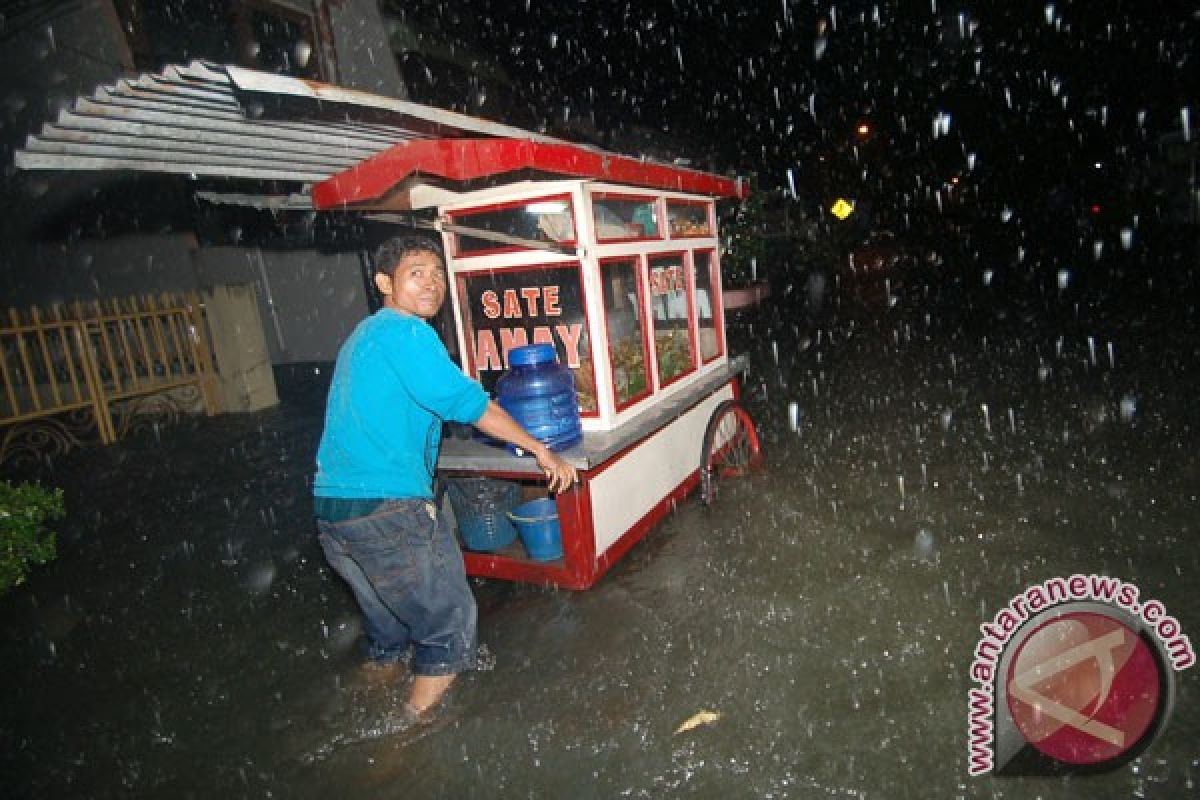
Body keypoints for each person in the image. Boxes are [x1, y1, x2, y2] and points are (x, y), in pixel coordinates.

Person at [313, 235, 577, 720]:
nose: (432, 283)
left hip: (336, 513)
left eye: (438, 273)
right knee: (451, 630)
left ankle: (349, 715)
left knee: (391, 637)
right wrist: (541, 450)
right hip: (387, 510)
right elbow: (468, 403)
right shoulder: (406, 332)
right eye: (417, 273)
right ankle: (399, 752)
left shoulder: (363, 336)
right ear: (384, 283)